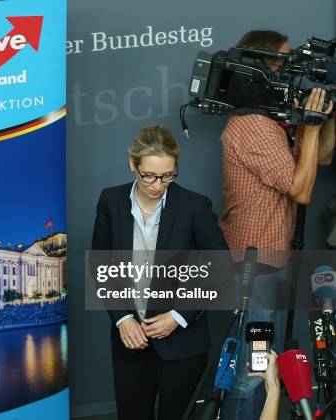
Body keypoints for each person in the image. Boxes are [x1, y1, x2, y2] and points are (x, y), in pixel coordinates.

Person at [220, 30, 335, 420]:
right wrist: (312, 127)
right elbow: (301, 190)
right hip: (255, 271)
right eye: (285, 61)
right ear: (266, 66)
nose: (292, 71)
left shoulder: (272, 122)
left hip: (270, 263)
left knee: (259, 364)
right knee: (253, 371)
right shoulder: (254, 126)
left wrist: (326, 116)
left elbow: (318, 159)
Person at [92, 125, 229, 419]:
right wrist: (122, 318)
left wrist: (178, 316)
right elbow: (101, 264)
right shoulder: (110, 201)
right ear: (133, 164)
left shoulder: (195, 206)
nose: (158, 184)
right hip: (130, 342)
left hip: (183, 345)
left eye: (168, 175)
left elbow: (221, 266)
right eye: (150, 175)